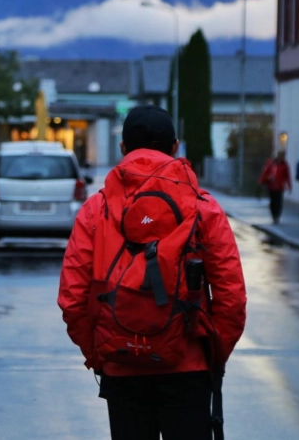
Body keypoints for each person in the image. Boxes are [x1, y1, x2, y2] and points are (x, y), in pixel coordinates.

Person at [58, 105, 247, 440]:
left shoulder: (96, 210)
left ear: (123, 148)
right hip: (188, 366)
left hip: (121, 363)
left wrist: (99, 355)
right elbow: (231, 298)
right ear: (175, 147)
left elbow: (73, 299)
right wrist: (213, 356)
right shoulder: (204, 209)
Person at [259, 151, 292, 224]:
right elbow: (265, 172)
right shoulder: (272, 163)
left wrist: (289, 186)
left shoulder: (284, 165)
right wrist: (262, 181)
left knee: (279, 202)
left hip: (280, 186)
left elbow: (287, 176)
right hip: (271, 185)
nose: (281, 158)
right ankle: (273, 215)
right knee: (273, 201)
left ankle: (277, 216)